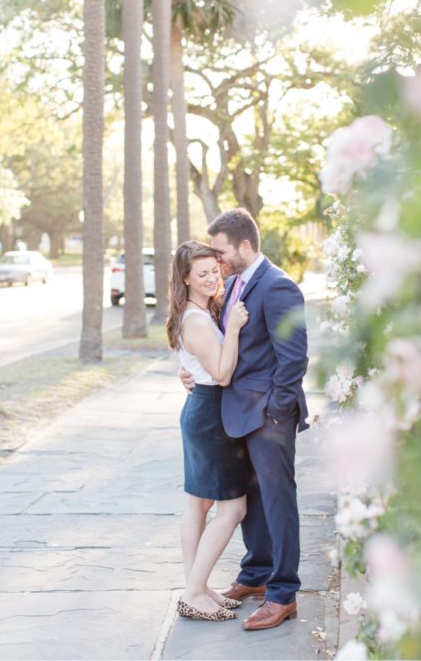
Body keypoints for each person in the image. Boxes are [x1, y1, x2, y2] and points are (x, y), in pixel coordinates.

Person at [180, 208, 310, 631]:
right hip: (234, 414)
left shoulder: (278, 286)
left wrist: (276, 413)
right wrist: (193, 371)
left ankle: (283, 593)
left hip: (268, 417)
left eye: (220, 251)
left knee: (277, 499)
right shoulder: (235, 282)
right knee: (250, 500)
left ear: (245, 246)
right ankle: (256, 575)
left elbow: (293, 360)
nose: (217, 260)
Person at [166, 241, 250, 622]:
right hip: (210, 413)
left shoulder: (197, 311)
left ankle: (196, 588)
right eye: (201, 274)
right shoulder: (197, 318)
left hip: (203, 408)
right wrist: (232, 329)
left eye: (214, 271)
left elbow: (199, 366)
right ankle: (194, 591)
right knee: (232, 508)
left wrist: (188, 370)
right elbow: (222, 373)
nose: (211, 278)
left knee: (198, 504)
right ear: (185, 278)